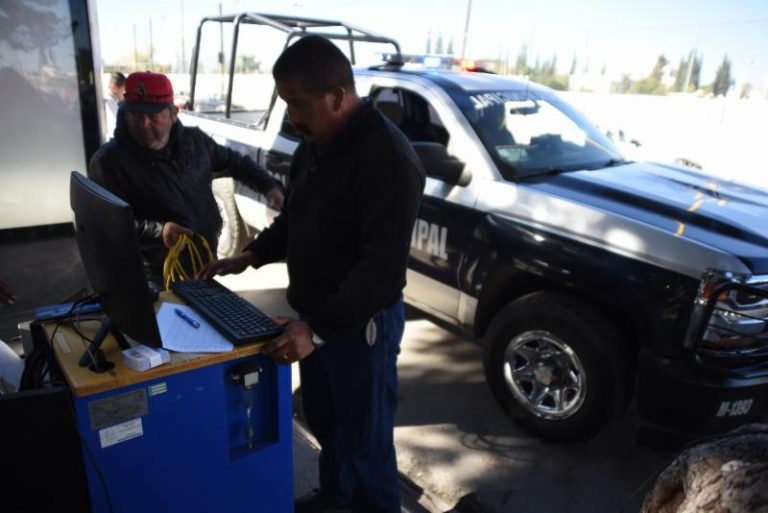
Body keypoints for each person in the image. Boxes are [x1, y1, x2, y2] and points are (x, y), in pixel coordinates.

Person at [199, 36, 425, 513]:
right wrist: (252, 254)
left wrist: (316, 329)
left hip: (361, 326)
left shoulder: (388, 159)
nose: (291, 116)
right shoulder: (316, 143)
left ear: (337, 96)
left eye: (298, 104)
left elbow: (380, 271)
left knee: (367, 442)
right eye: (286, 103)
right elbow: (296, 218)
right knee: (326, 422)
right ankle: (336, 498)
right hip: (315, 316)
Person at [89, 71, 284, 292]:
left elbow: (236, 162)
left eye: (153, 116)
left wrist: (268, 186)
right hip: (150, 278)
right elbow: (105, 223)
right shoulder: (108, 162)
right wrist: (159, 231)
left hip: (202, 266)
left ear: (174, 113)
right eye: (135, 115)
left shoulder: (195, 142)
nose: (143, 124)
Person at [103, 71, 126, 140]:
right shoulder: (110, 102)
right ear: (115, 88)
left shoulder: (114, 101)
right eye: (123, 88)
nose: (124, 91)